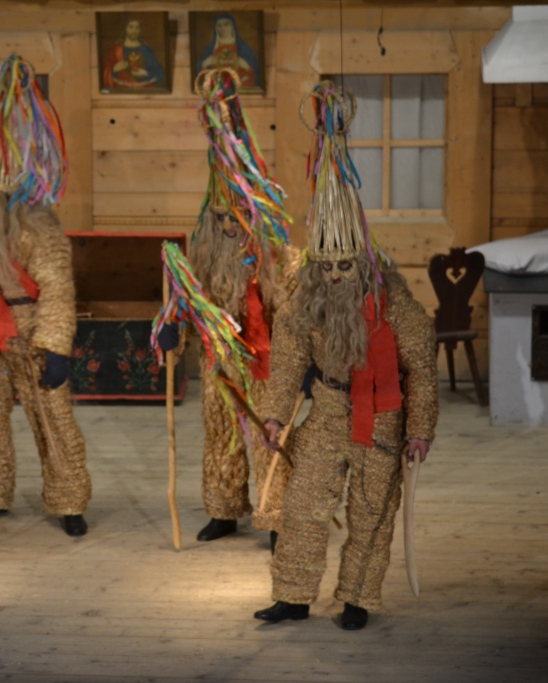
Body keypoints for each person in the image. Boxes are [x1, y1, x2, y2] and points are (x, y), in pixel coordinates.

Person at [253, 81, 437, 631]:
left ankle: (357, 597)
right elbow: (287, 361)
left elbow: (421, 369)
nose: (334, 276)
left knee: (372, 514)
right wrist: (274, 414)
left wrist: (420, 430)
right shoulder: (306, 301)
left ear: (361, 261)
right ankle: (292, 595)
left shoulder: (394, 303)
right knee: (303, 504)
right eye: (326, 266)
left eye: (343, 266)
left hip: (383, 419)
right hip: (329, 412)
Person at [0, 56, 91, 538]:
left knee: (52, 421)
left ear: (5, 194)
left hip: (31, 341)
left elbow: (58, 292)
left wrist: (55, 347)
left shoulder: (38, 232)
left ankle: (69, 501)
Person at [158, 69, 297, 549]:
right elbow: (189, 306)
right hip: (219, 363)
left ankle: (275, 516)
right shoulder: (203, 255)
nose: (228, 227)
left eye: (236, 217)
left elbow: (294, 313)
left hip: (265, 365)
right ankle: (222, 511)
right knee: (220, 435)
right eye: (220, 219)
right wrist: (174, 332)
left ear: (252, 212)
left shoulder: (278, 257)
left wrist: (301, 361)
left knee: (266, 437)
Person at [196, 14, 260, 89]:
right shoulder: (211, 48)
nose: (222, 28)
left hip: (239, 86)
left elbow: (256, 71)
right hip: (217, 88)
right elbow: (199, 73)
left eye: (226, 24)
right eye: (219, 26)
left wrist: (246, 66)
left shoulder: (243, 47)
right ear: (216, 28)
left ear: (232, 27)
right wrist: (205, 64)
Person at [102, 17, 166, 90]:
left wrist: (146, 73)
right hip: (122, 90)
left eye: (137, 28)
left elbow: (160, 74)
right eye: (131, 27)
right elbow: (103, 74)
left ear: (140, 30)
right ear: (125, 29)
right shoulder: (116, 50)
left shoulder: (146, 50)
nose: (134, 30)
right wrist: (114, 69)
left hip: (144, 90)